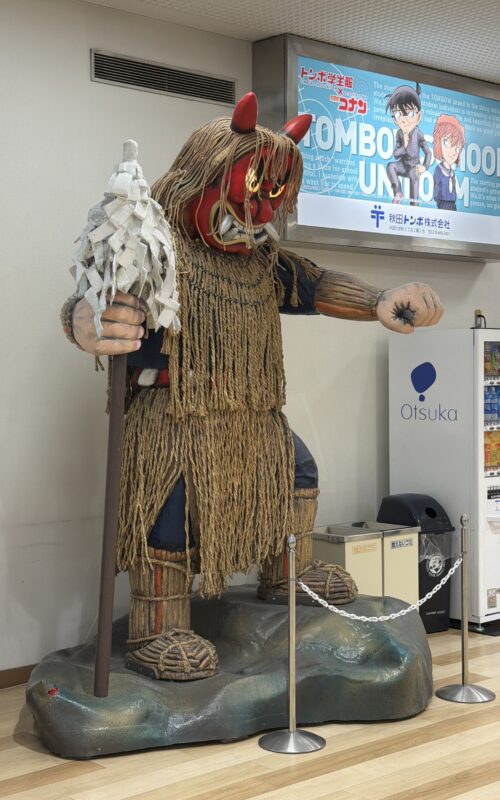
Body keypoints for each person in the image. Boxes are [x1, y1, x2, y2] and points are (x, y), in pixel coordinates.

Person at [61, 93, 444, 681]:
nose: (259, 215)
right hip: (175, 417)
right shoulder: (154, 247)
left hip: (251, 414)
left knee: (297, 472)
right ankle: (158, 626)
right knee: (170, 510)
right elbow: (93, 299)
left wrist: (379, 299)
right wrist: (84, 321)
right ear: (203, 178)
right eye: (251, 194)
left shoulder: (261, 262)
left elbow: (315, 285)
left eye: (272, 200)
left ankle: (287, 574)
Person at [386, 83, 432, 205]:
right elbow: (396, 155)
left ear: (418, 116)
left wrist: (424, 166)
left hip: (413, 168)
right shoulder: (399, 134)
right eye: (398, 114)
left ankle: (414, 207)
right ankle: (398, 193)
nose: (404, 120)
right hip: (402, 165)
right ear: (395, 119)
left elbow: (428, 152)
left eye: (410, 114)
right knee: (390, 166)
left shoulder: (418, 133)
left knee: (414, 199)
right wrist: (404, 146)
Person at [432, 114, 465, 211]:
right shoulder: (438, 170)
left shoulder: (452, 173)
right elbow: (436, 189)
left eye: (457, 148)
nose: (453, 152)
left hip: (452, 205)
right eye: (447, 143)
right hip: (443, 204)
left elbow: (453, 190)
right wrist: (439, 201)